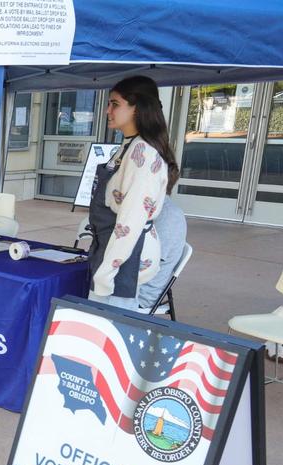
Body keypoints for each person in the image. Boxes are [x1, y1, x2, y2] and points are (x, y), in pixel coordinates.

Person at [88, 75, 178, 310]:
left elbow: (130, 221)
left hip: (125, 256)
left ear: (138, 109)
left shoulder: (144, 155)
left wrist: (106, 272)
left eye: (115, 104)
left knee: (108, 329)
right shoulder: (129, 145)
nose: (108, 110)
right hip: (112, 249)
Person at [137, 196, 188, 311]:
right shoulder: (154, 207)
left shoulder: (168, 214)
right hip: (134, 284)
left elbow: (149, 263)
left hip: (141, 294)